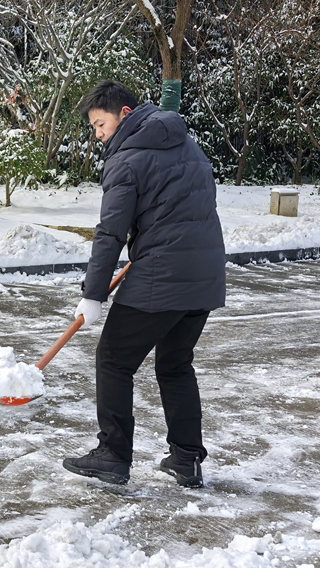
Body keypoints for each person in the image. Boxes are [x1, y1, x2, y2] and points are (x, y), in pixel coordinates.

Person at [61, 80, 226, 488]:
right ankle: (186, 458)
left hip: (162, 275)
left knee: (113, 360)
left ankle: (113, 454)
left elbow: (110, 233)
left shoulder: (127, 160)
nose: (98, 134)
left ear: (125, 114)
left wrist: (93, 294)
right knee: (175, 363)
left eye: (100, 124)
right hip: (204, 274)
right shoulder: (189, 145)